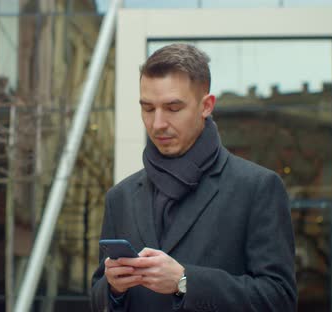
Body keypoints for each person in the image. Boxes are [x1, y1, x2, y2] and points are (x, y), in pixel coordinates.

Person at [90, 43, 297, 311]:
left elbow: (279, 299)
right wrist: (113, 288)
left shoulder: (257, 188)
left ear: (206, 106)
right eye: (148, 109)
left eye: (173, 108)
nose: (158, 123)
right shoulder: (120, 197)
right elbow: (97, 298)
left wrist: (184, 281)